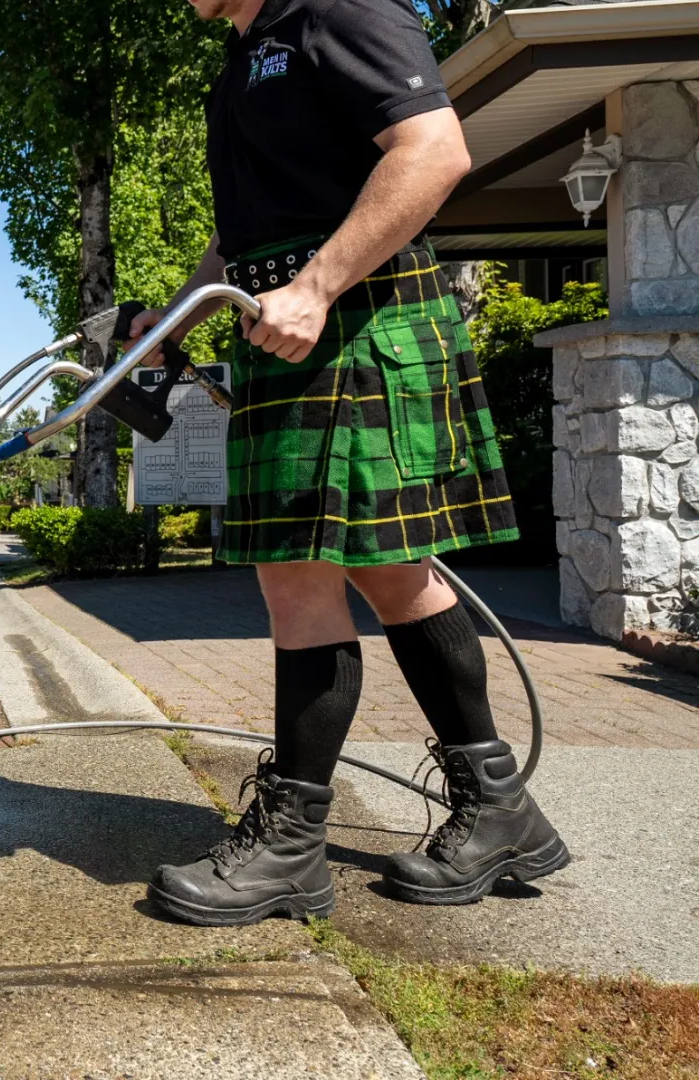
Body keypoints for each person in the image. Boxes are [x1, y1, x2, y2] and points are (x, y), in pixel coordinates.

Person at [130, 0, 569, 927]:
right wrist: (174, 321)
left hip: (364, 322)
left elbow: (434, 151)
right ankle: (499, 809)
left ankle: (295, 845)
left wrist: (319, 284)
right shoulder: (244, 54)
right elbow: (246, 236)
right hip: (291, 332)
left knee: (318, 574)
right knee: (380, 571)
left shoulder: (341, 7)